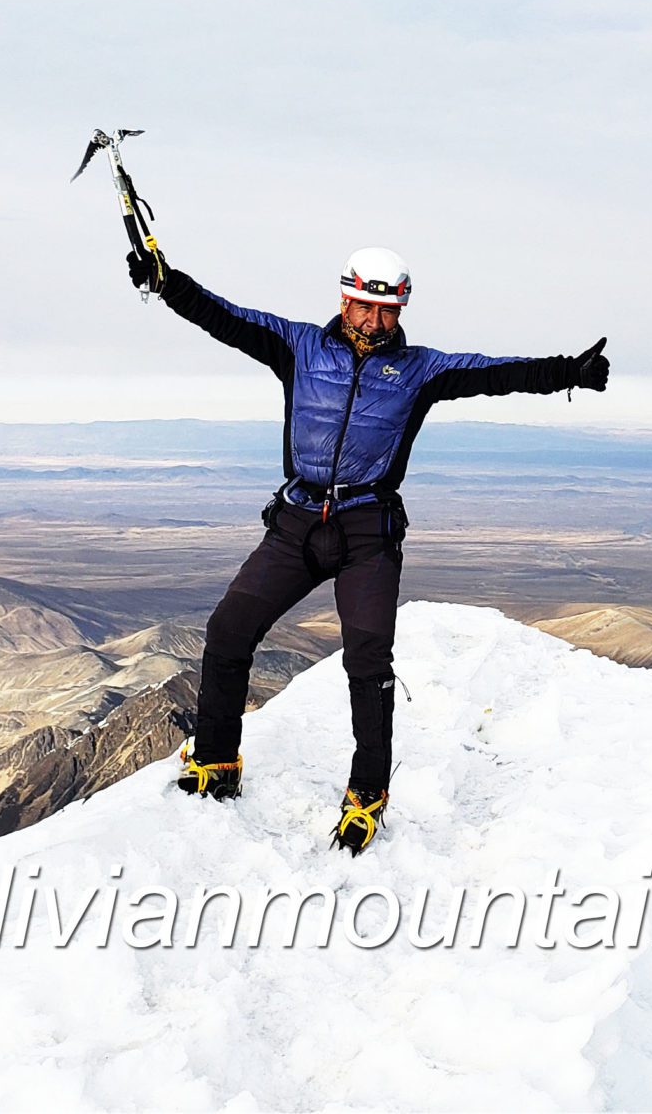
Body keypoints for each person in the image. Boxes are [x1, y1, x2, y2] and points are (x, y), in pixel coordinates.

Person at [125, 244, 609, 854]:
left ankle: (367, 793)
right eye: (364, 306)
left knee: (368, 661)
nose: (375, 321)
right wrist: (165, 282)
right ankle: (216, 760)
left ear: (401, 309)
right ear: (344, 298)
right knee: (228, 630)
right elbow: (221, 315)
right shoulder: (299, 346)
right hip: (297, 522)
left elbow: (497, 374)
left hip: (366, 531)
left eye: (387, 310)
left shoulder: (420, 370)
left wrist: (571, 372)